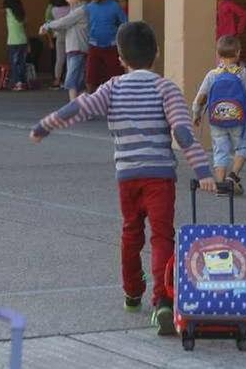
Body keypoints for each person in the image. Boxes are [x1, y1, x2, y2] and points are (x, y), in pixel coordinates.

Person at [30, 21, 216, 336]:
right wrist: (204, 172)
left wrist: (44, 126)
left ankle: (132, 293)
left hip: (127, 177)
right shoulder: (165, 87)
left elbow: (79, 107)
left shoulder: (113, 87)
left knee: (131, 232)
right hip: (160, 178)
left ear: (120, 57)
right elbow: (182, 132)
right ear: (156, 53)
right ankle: (163, 303)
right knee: (162, 236)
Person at [192, 36, 246, 196]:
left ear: (217, 54)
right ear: (238, 53)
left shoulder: (212, 75)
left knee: (220, 150)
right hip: (237, 119)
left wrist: (196, 114)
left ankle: (221, 185)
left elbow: (200, 98)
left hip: (216, 119)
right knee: (243, 147)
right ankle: (233, 176)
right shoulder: (243, 73)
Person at [40, 0, 90, 101]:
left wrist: (47, 25)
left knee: (72, 81)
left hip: (77, 49)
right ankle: (82, 108)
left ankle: (74, 108)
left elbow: (64, 21)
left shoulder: (81, 10)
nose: (66, 0)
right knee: (78, 81)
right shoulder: (77, 9)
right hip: (76, 48)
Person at [85, 0, 128, 93]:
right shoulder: (88, 7)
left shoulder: (114, 6)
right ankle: (92, 103)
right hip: (93, 46)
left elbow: (125, 23)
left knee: (116, 77)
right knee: (91, 77)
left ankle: (117, 100)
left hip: (112, 47)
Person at [47, 0, 70, 89]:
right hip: (71, 35)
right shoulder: (70, 8)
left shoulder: (53, 10)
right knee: (70, 59)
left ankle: (57, 80)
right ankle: (69, 80)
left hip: (59, 35)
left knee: (59, 59)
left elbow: (49, 22)